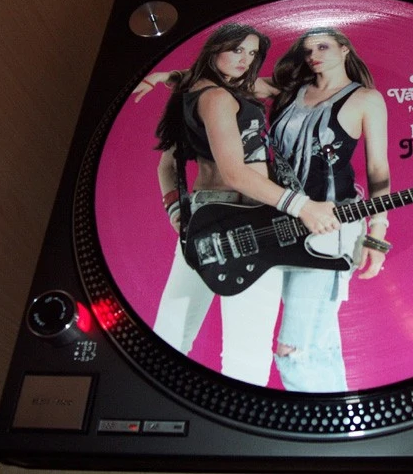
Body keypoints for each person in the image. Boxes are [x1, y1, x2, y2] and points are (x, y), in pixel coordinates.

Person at [142, 23, 340, 386]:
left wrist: (173, 76)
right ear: (215, 48)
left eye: (251, 54)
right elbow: (234, 173)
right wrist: (302, 206)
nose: (245, 60)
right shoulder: (217, 98)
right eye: (236, 50)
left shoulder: (208, 91)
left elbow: (166, 164)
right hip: (242, 219)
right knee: (245, 352)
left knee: (171, 335)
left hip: (208, 217)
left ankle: (152, 406)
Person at [263, 27, 391, 392]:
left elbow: (377, 169)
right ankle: (341, 413)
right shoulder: (291, 91)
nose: (313, 56)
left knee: (294, 348)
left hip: (332, 228)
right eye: (307, 50)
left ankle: (309, 419)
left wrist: (377, 234)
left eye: (322, 47)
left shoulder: (366, 99)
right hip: (279, 223)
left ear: (345, 49)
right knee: (319, 340)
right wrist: (167, 77)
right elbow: (228, 79)